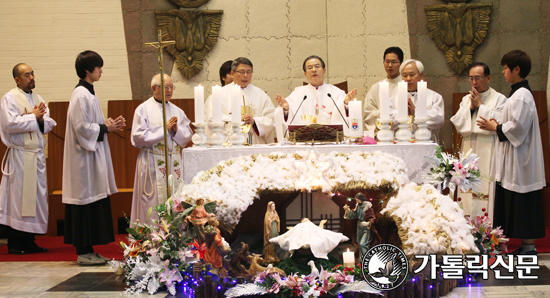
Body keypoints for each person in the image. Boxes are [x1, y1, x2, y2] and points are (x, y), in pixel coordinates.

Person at [477, 50, 545, 255]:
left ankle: (529, 247)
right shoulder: (517, 93)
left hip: (522, 160)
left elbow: (518, 128)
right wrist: (497, 124)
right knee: (519, 202)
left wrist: (495, 128)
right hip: (516, 158)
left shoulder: (522, 96)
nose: (504, 71)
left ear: (517, 69)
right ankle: (526, 246)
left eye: (506, 68)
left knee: (525, 202)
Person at [62, 50, 126, 265]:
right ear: (88, 70)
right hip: (83, 162)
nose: (101, 71)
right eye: (98, 67)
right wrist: (104, 127)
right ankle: (83, 251)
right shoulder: (80, 95)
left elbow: (91, 124)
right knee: (84, 202)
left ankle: (88, 249)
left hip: (91, 158)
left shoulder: (89, 93)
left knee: (93, 201)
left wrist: (108, 125)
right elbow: (81, 128)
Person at [0, 63, 57, 255]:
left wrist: (39, 119)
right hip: (20, 157)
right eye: (27, 75)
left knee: (35, 199)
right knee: (19, 200)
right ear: (17, 79)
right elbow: (9, 124)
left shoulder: (37, 98)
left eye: (32, 73)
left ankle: (29, 240)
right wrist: (33, 116)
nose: (31, 77)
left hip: (36, 156)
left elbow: (49, 122)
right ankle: (16, 242)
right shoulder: (9, 98)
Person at [130, 74, 193, 225]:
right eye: (166, 87)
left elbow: (188, 136)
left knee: (175, 198)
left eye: (172, 87)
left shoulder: (177, 110)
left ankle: (175, 234)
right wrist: (163, 129)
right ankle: (151, 237)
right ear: (154, 88)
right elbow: (137, 137)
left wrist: (177, 130)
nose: (170, 90)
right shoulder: (143, 109)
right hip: (152, 160)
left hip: (173, 161)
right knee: (151, 199)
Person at [450, 62, 507, 218]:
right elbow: (460, 124)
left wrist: (481, 106)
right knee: (467, 187)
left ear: (488, 78)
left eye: (478, 78)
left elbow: (501, 123)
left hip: (489, 151)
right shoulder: (466, 99)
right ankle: (466, 225)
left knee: (486, 186)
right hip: (469, 150)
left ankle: (486, 229)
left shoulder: (500, 100)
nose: (474, 82)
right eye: (471, 78)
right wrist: (472, 108)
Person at [273, 55, 357, 139]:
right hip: (304, 140)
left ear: (324, 71)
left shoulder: (336, 93)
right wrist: (286, 109)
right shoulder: (298, 93)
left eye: (317, 66)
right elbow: (287, 115)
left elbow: (345, 115)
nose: (314, 70)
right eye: (310, 68)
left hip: (331, 139)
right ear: (305, 74)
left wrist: (346, 104)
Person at [205, 57, 275, 144]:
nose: (245, 75)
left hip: (255, 146)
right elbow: (212, 120)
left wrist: (255, 121)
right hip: (229, 146)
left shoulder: (261, 95)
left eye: (249, 72)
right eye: (241, 72)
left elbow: (271, 118)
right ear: (232, 73)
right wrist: (237, 120)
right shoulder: (218, 95)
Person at [389, 59, 444, 140]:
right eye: (404, 75)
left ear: (421, 75)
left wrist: (415, 113)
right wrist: (403, 113)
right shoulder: (394, 99)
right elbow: (388, 121)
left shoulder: (434, 97)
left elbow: (438, 120)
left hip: (426, 142)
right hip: (401, 143)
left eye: (412, 75)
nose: (408, 79)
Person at [364, 47, 404, 131]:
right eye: (387, 62)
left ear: (401, 64)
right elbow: (368, 114)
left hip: (403, 131)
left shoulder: (406, 86)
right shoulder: (376, 87)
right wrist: (384, 114)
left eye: (394, 62)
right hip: (382, 132)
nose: (390, 65)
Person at [343, 193, 376, 259]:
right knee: (359, 244)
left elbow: (373, 217)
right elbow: (354, 215)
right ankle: (361, 260)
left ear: (361, 199)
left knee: (363, 244)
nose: (357, 201)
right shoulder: (358, 206)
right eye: (356, 200)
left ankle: (366, 260)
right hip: (359, 227)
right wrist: (347, 210)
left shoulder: (367, 206)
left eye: (357, 200)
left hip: (366, 227)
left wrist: (368, 223)